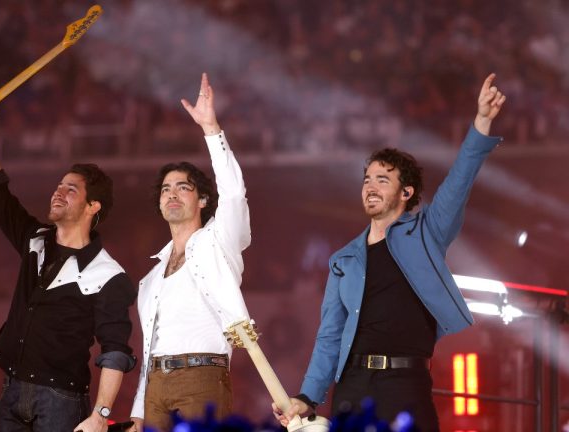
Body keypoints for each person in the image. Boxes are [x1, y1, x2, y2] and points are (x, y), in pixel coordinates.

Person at [273, 74, 506, 431]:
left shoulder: (426, 232)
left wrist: (482, 122)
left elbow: (459, 181)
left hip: (405, 383)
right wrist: (306, 397)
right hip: (352, 386)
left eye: (383, 180)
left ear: (406, 192)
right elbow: (330, 335)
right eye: (367, 179)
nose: (370, 186)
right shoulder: (343, 259)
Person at [0, 95, 137, 432]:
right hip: (13, 387)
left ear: (93, 206)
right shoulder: (35, 239)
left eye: (71, 189)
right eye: (59, 185)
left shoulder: (108, 274)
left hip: (61, 399)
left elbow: (116, 351)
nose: (58, 192)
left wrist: (101, 415)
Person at [130, 73, 251, 432]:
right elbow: (149, 346)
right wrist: (138, 409)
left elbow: (233, 193)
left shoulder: (219, 241)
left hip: (203, 377)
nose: (172, 194)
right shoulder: (150, 278)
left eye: (183, 187)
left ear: (201, 199)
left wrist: (211, 129)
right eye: (166, 189)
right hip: (155, 386)